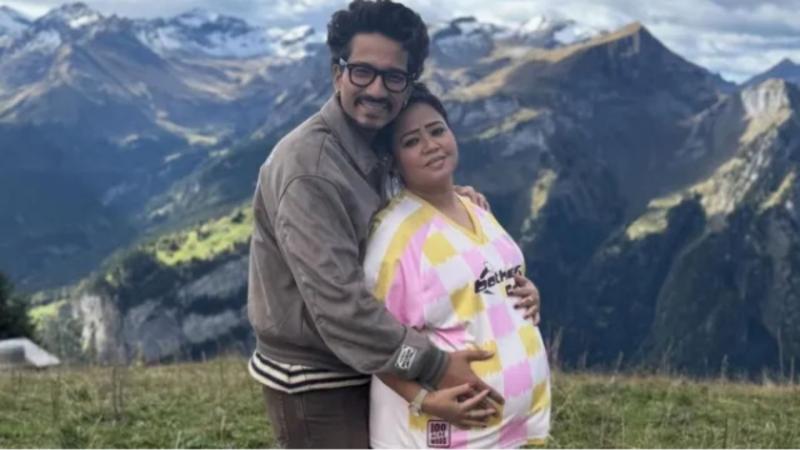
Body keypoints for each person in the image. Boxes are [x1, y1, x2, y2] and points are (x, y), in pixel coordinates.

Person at [246, 0, 540, 447]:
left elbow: (406, 248)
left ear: (408, 84)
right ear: (337, 73)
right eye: (362, 72)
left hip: (375, 363)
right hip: (318, 378)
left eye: (394, 77)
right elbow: (339, 307)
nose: (377, 89)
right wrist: (435, 366)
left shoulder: (379, 144)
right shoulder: (311, 170)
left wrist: (503, 282)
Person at [364, 83, 551, 448]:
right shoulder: (394, 238)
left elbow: (482, 283)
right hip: (439, 435)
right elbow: (372, 342)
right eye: (411, 141)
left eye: (437, 131)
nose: (430, 145)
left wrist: (527, 294)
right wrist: (424, 400)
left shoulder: (474, 207)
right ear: (394, 160)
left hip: (506, 433)